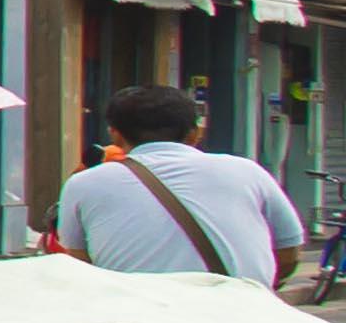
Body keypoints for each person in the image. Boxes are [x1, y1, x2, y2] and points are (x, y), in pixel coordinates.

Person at [52, 84, 311, 283]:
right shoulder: (247, 171)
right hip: (242, 321)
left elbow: (78, 263)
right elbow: (289, 251)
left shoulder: (85, 183)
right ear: (195, 134)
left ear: (115, 134)